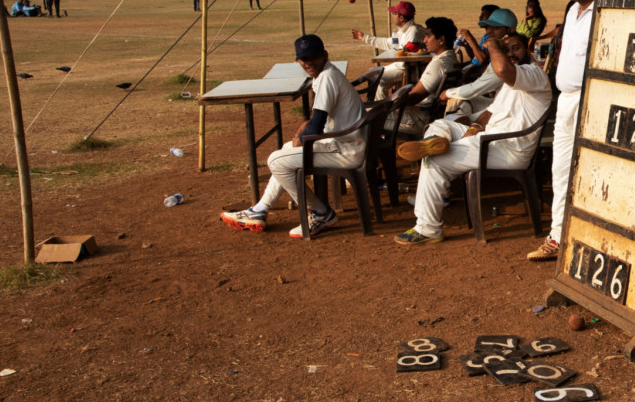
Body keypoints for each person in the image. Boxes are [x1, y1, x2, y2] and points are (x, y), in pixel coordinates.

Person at [393, 31, 552, 246]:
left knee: (435, 160)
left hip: (507, 149)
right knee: (442, 124)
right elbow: (490, 112)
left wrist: (494, 44)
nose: (510, 54)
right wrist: (474, 126)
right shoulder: (511, 83)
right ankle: (435, 142)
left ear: (528, 51)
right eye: (506, 50)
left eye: (516, 48)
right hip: (489, 138)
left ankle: (428, 228)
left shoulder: (534, 74)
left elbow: (502, 69)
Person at [220, 34, 365, 239]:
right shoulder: (327, 73)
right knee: (286, 150)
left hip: (346, 150)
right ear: (298, 60)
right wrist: (302, 133)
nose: (309, 63)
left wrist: (302, 137)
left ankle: (321, 213)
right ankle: (260, 210)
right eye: (304, 59)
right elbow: (316, 121)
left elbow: (317, 125)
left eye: (313, 57)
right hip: (345, 143)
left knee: (276, 161)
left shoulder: (327, 77)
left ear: (325, 55)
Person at [528, 0, 599, 262]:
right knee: (560, 169)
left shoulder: (603, 11)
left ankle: (591, 235)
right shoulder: (572, 11)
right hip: (567, 98)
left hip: (590, 98)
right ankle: (558, 235)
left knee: (590, 169)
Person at [438, 7, 517, 119]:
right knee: (463, 102)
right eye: (489, 27)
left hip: (507, 114)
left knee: (448, 119)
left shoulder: (508, 56)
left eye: (496, 28)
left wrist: (447, 93)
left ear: (511, 30)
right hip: (502, 104)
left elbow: (477, 87)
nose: (489, 31)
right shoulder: (500, 51)